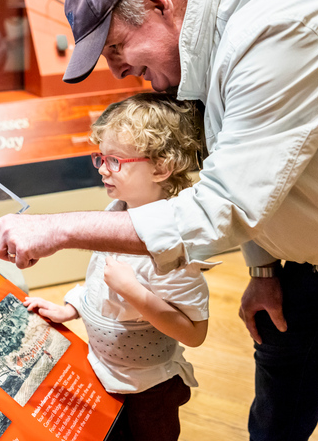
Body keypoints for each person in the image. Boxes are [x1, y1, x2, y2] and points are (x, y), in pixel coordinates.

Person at [0, 0, 318, 441]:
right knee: (283, 364)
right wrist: (263, 268)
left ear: (158, 3)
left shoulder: (277, 32)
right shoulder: (217, 40)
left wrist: (57, 227)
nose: (118, 71)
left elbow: (223, 206)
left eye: (116, 48)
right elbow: (246, 164)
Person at [24, 93, 213, 441]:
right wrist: (72, 307)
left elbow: (194, 332)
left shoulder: (174, 246)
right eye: (100, 157)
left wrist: (135, 292)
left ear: (160, 167)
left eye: (114, 159)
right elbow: (101, 284)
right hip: (103, 373)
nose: (101, 168)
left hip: (148, 389)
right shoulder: (115, 212)